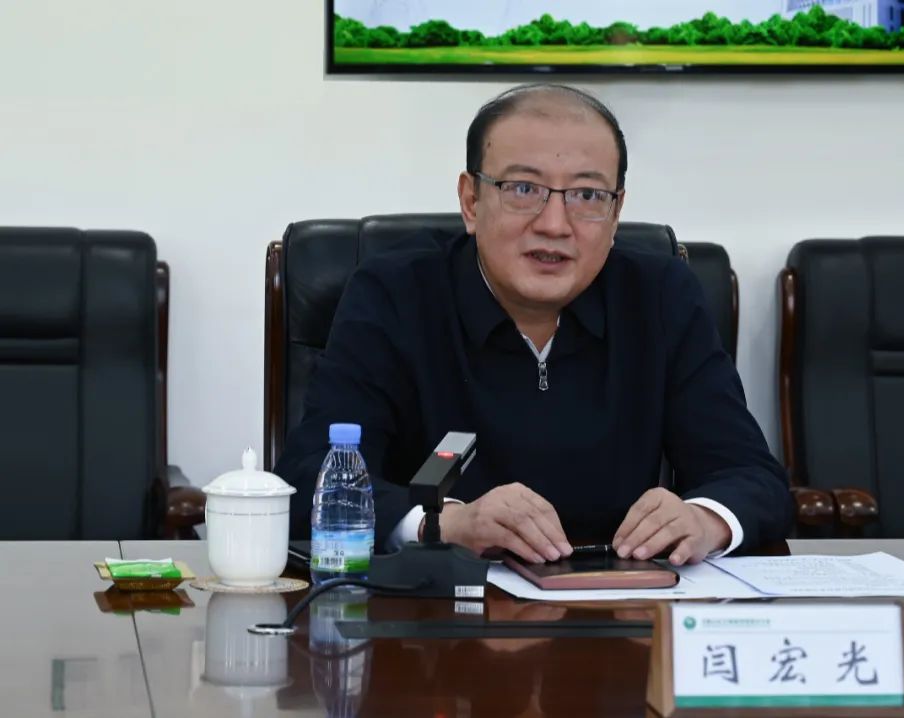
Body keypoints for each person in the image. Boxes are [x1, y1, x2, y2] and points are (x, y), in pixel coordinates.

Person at [275, 83, 792, 566]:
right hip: (437, 614)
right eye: (523, 188)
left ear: (616, 213)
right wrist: (444, 524)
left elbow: (749, 474)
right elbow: (311, 477)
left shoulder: (660, 297)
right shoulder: (395, 294)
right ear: (471, 201)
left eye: (587, 196)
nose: (554, 224)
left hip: (620, 605)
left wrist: (705, 519)